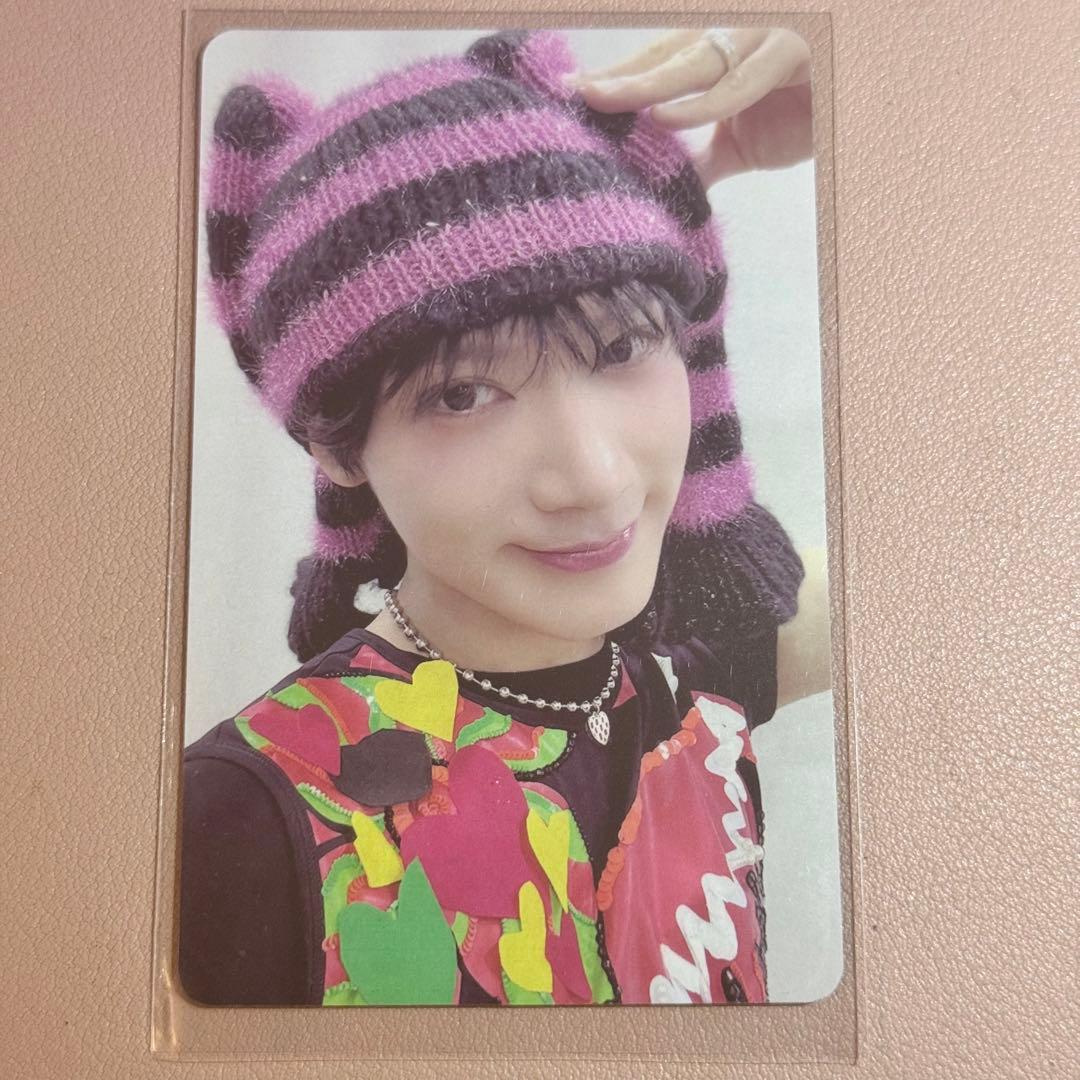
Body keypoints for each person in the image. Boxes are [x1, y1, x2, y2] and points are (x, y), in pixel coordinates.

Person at [180, 26, 824, 1008]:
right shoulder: (237, 821)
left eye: (622, 348)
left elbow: (1007, 584)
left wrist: (877, 99)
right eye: (463, 394)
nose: (594, 478)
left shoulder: (693, 668)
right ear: (337, 447)